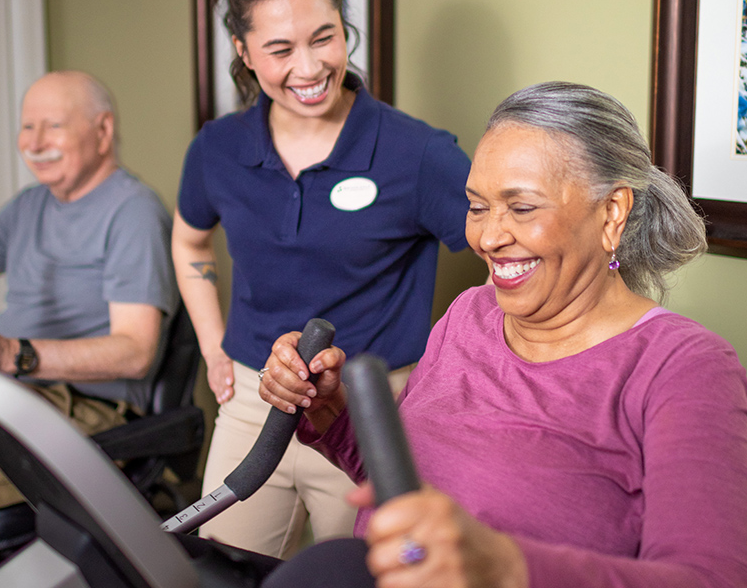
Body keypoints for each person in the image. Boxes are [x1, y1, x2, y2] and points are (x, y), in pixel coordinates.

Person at [259, 82, 747, 587]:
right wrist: (330, 411)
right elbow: (415, 485)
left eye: (522, 208)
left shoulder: (684, 367)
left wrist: (507, 566)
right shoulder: (470, 313)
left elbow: (708, 579)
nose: (488, 238)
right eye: (476, 206)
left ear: (612, 213)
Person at [172, 0, 472, 558]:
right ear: (243, 52)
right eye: (280, 49)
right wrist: (212, 347)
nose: (309, 69)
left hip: (370, 414)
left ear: (344, 27)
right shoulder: (217, 149)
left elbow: (509, 248)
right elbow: (190, 239)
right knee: (215, 573)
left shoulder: (417, 154)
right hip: (254, 407)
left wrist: (451, 382)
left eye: (323, 37)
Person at [0, 71, 177, 524]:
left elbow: (135, 353)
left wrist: (6, 352)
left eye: (54, 125)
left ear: (102, 131)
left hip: (80, 404)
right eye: (27, 126)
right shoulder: (30, 205)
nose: (34, 141)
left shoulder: (134, 213)